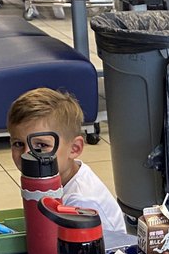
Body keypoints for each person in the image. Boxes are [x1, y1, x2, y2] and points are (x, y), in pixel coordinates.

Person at [8, 89, 125, 233]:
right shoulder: (52, 179)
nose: (27, 154)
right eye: (18, 144)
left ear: (74, 149)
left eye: (42, 145)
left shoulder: (81, 201)